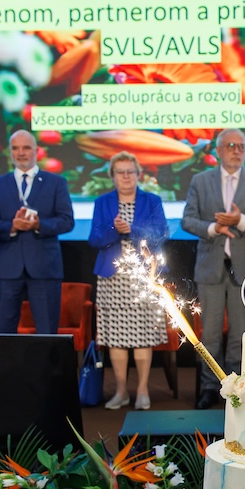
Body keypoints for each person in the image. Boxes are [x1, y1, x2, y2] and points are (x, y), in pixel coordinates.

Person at [181, 128, 245, 410]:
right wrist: (214, 228)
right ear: (218, 151)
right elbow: (187, 220)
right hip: (210, 268)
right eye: (231, 146)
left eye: (241, 146)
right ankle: (209, 386)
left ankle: (237, 389)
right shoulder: (200, 180)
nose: (237, 151)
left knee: (241, 334)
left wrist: (240, 220)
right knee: (210, 335)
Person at [88, 152, 170, 410]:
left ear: (138, 174)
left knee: (143, 336)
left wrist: (131, 230)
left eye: (130, 171)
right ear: (112, 176)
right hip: (112, 280)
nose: (125, 176)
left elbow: (161, 233)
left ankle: (143, 390)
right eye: (120, 172)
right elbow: (94, 239)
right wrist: (115, 230)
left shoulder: (152, 200)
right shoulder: (102, 202)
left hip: (144, 277)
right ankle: (121, 391)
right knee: (115, 338)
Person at [0, 130, 74, 333]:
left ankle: (47, 358)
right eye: (15, 148)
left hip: (44, 268)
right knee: (5, 332)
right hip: (7, 269)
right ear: (10, 152)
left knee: (47, 332)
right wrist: (11, 227)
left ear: (36, 151)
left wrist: (39, 225)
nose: (21, 153)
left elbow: (67, 222)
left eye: (26, 148)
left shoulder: (56, 182)